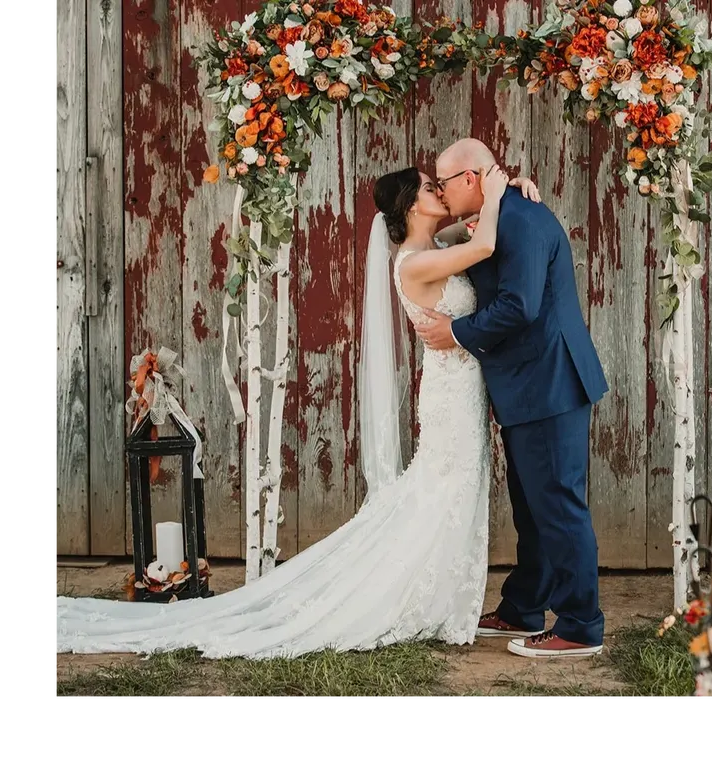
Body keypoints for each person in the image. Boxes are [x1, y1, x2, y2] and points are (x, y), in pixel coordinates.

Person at [46, 166, 542, 661]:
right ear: (412, 205)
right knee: (444, 488)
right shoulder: (412, 262)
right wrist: (497, 186)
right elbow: (482, 246)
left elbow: (478, 227)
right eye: (432, 188)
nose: (442, 191)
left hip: (460, 388)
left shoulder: (433, 247)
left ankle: (440, 597)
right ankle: (414, 596)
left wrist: (510, 191)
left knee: (454, 489)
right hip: (449, 394)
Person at [414, 138, 610, 658]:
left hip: (549, 382)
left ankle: (579, 624)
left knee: (558, 507)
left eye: (445, 181)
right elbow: (465, 247)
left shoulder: (520, 221)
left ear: (472, 178)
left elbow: (519, 306)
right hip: (530, 386)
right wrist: (501, 197)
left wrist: (455, 332)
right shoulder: (505, 213)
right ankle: (523, 606)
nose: (440, 189)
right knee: (533, 507)